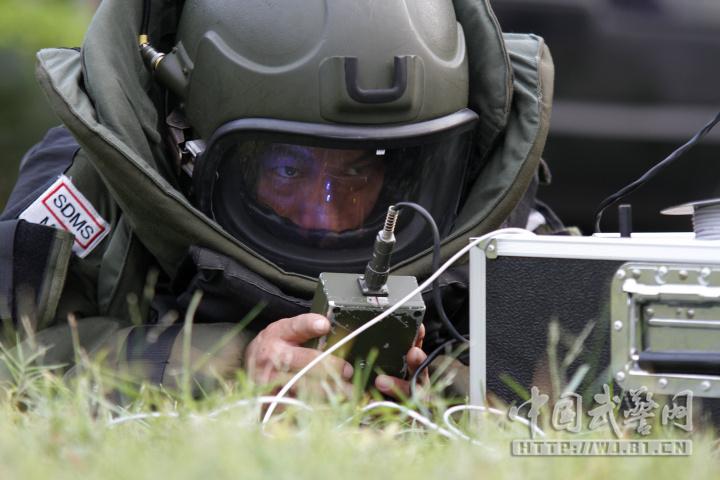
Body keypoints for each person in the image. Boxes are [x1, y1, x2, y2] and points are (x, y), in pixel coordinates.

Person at [0, 0, 556, 398]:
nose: (326, 214)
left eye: (362, 171)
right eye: (288, 169)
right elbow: (17, 362)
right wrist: (233, 363)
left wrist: (435, 380)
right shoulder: (98, 177)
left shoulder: (486, 204)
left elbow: (584, 365)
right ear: (185, 142)